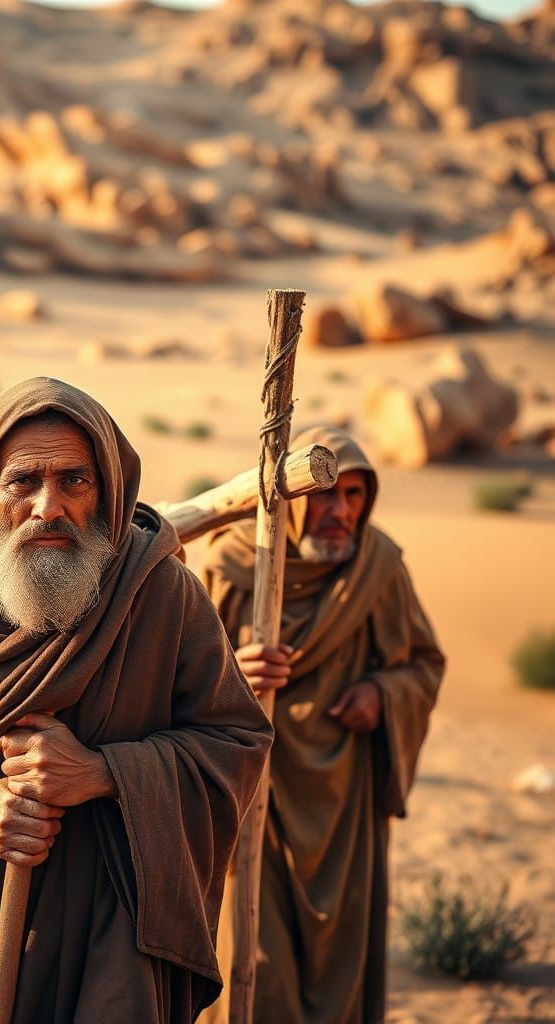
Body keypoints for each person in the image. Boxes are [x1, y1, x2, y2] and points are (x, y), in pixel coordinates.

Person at [0, 377, 273, 1023]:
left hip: (125, 912)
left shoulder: (161, 593)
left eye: (74, 481)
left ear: (107, 489)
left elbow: (235, 739)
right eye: (23, 482)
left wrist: (103, 773)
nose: (49, 507)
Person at [202, 425, 445, 1024]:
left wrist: (383, 694)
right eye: (326, 495)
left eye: (354, 495)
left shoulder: (378, 569)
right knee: (255, 965)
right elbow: (171, 678)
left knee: (339, 963)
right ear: (289, 499)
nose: (342, 511)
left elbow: (424, 663)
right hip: (250, 795)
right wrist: (230, 675)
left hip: (343, 805)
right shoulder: (234, 565)